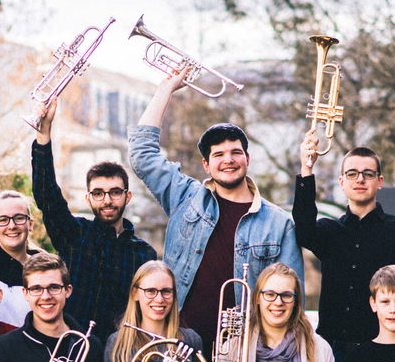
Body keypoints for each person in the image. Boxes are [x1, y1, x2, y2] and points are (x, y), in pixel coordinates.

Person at [128, 70, 301, 346]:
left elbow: (293, 298)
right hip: (177, 344)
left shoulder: (279, 223)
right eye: (218, 155)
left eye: (235, 153)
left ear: (247, 158)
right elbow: (141, 154)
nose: (228, 160)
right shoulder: (185, 196)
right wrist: (167, 88)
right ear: (206, 165)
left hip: (243, 350)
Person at [32, 99, 157, 332]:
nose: (107, 200)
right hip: (71, 346)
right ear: (88, 198)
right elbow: (46, 195)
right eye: (98, 193)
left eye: (115, 192)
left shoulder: (143, 253)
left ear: (127, 196)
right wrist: (44, 134)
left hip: (116, 352)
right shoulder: (74, 234)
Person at [290, 143, 395, 349]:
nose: (360, 179)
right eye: (352, 174)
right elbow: (303, 230)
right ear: (341, 182)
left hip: (380, 345)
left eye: (368, 173)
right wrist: (307, 169)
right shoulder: (328, 231)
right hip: (333, 347)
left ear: (379, 182)